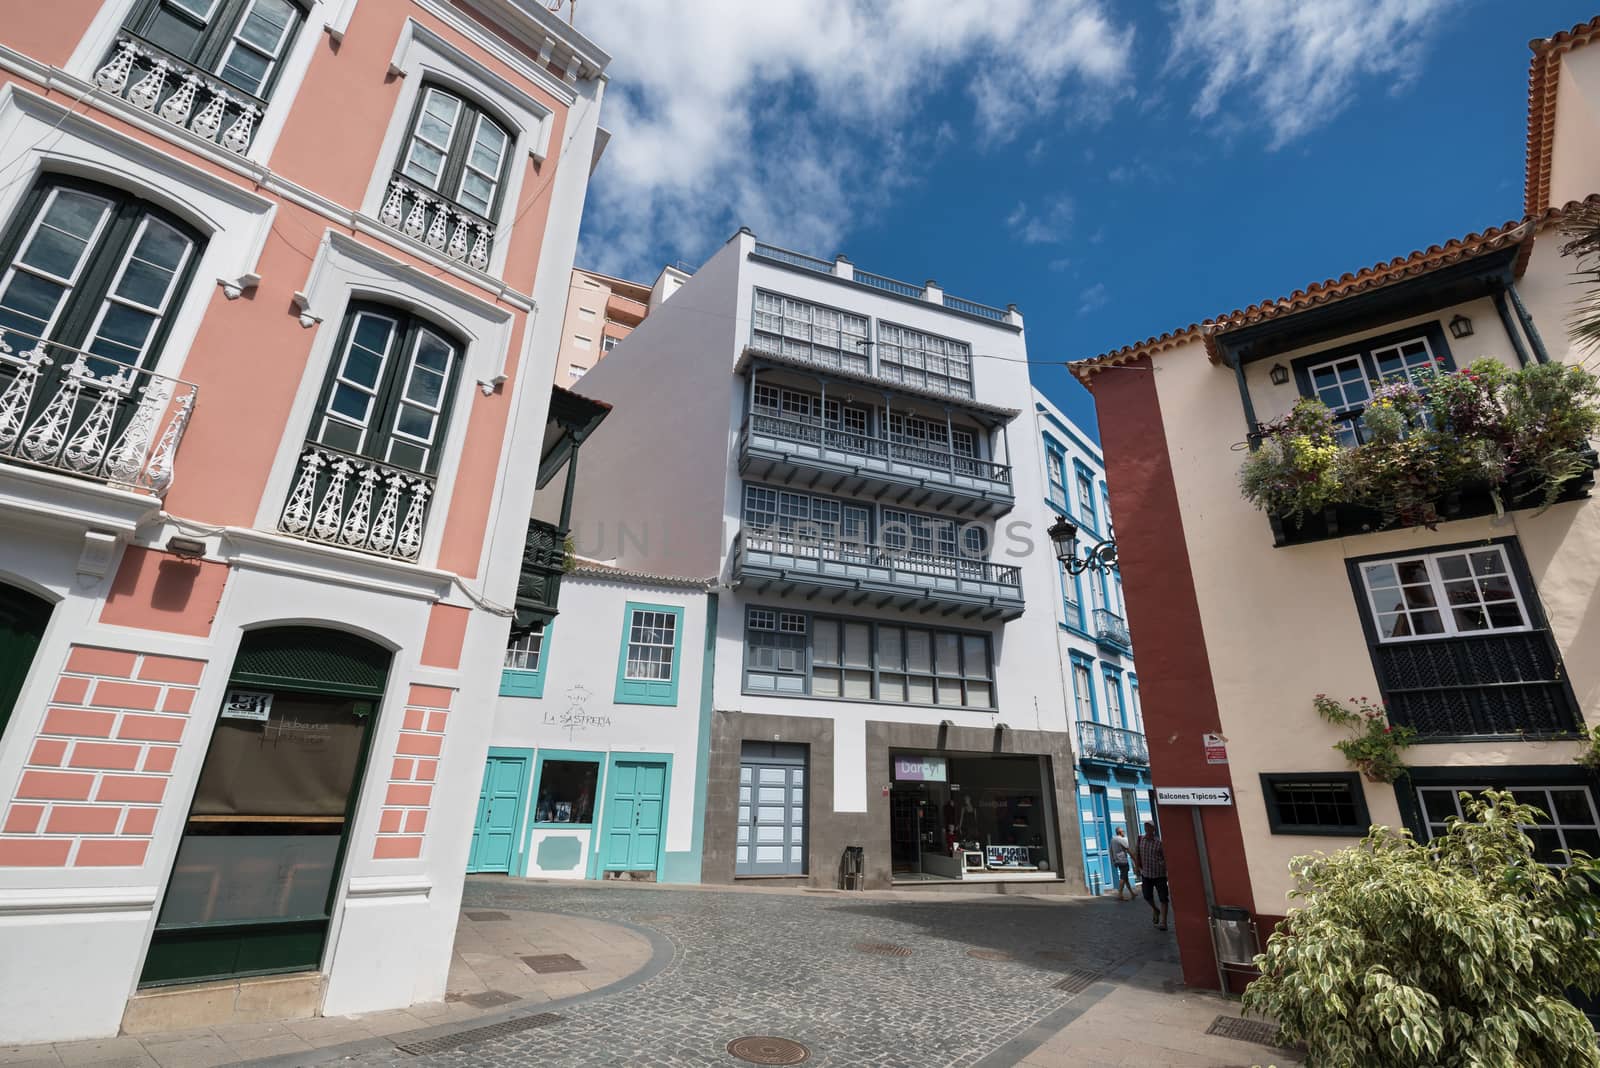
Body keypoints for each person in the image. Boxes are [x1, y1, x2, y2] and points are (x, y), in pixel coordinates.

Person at [1133, 820, 1169, 930]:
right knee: (1147, 896)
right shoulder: (1140, 840)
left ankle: (1163, 922)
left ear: (1154, 829)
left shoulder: (1159, 843)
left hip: (1159, 874)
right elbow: (1137, 853)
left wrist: (1163, 866)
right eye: (1145, 827)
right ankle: (1155, 909)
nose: (1147, 829)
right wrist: (1137, 867)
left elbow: (1165, 857)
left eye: (1149, 827)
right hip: (1146, 874)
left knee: (1163, 898)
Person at [1109, 826, 1133, 900]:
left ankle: (1132, 893)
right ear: (1120, 832)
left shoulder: (1113, 840)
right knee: (1123, 877)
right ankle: (1120, 894)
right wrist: (1134, 858)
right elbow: (1128, 849)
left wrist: (1113, 861)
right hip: (1123, 861)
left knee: (1125, 878)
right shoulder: (1121, 839)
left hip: (1117, 861)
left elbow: (1111, 851)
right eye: (1123, 831)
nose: (1124, 833)